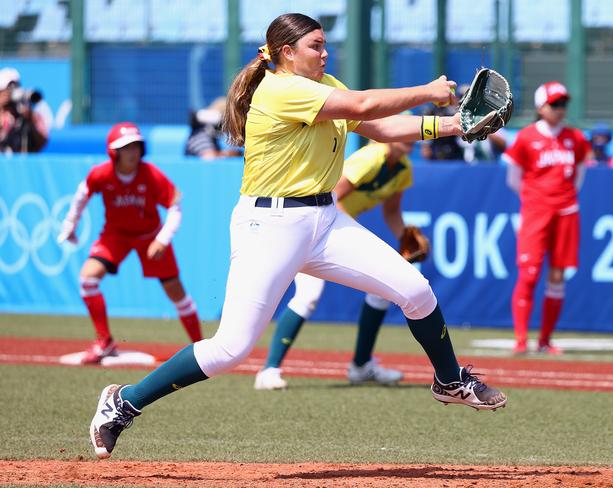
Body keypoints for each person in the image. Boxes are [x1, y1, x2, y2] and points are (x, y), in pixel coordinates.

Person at [88, 13, 507, 460]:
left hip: (324, 220)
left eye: (325, 44)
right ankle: (124, 402)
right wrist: (428, 92)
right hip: (268, 226)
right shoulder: (280, 89)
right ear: (287, 52)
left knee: (415, 290)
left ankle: (449, 381)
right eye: (315, 45)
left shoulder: (325, 81)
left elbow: (380, 129)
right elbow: (365, 106)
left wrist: (453, 127)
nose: (325, 52)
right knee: (230, 349)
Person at [254, 139, 418, 390]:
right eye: (402, 131)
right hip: (310, 224)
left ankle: (361, 367)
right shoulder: (371, 158)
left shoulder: (403, 169)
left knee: (382, 288)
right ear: (386, 135)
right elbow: (333, 196)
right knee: (309, 295)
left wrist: (404, 237)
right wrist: (354, 234)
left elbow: (392, 212)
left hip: (334, 227)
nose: (410, 138)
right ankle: (269, 371)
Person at [58, 122, 203, 364]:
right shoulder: (101, 173)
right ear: (113, 152)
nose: (132, 151)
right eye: (125, 147)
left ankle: (200, 348)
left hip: (150, 237)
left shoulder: (152, 174)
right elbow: (82, 195)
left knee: (177, 294)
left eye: (135, 145)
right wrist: (69, 226)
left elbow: (175, 208)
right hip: (116, 235)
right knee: (88, 278)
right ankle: (104, 341)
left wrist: (162, 239)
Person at [503, 81, 590, 355]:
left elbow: (579, 171)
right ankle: (520, 340)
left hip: (566, 212)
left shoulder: (574, 138)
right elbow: (513, 179)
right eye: (555, 104)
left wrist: (564, 198)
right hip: (535, 213)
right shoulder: (527, 137)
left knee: (557, 275)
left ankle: (544, 340)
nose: (560, 109)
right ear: (541, 107)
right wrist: (536, 198)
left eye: (563, 104)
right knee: (528, 274)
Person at [0, 67, 49, 154]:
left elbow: (42, 143)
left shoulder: (27, 113)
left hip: (22, 164)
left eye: (16, 87)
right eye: (8, 90)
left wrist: (31, 119)